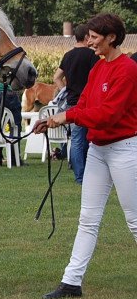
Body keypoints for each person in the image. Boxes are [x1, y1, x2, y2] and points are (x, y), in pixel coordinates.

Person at [36, 13, 137, 299]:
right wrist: (57, 118)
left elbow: (107, 114)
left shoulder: (127, 70)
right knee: (88, 220)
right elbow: (85, 105)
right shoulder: (98, 68)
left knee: (134, 220)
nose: (89, 41)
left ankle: (71, 282)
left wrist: (65, 117)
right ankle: (71, 283)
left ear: (111, 37)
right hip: (98, 150)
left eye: (94, 37)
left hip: (125, 149)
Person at [52, 23, 100, 184]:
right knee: (90, 141)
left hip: (72, 102)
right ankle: (87, 176)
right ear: (87, 37)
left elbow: (56, 77)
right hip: (89, 104)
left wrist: (65, 89)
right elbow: (96, 77)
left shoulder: (68, 56)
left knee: (77, 141)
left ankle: (80, 176)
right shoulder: (92, 56)